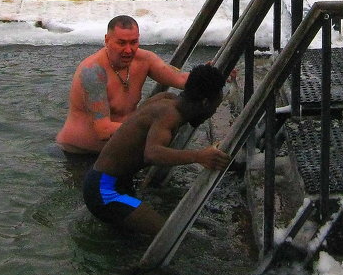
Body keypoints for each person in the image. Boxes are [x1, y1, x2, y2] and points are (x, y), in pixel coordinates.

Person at [82, 63, 231, 235]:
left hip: (110, 182)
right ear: (205, 102)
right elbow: (152, 153)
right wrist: (200, 156)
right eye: (215, 107)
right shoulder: (168, 114)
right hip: (105, 190)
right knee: (169, 237)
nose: (213, 113)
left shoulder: (166, 98)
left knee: (128, 240)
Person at [56, 15, 190, 156]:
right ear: (107, 40)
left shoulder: (144, 60)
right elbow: (104, 130)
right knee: (105, 179)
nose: (128, 50)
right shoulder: (93, 72)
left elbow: (181, 79)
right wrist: (156, 127)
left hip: (120, 150)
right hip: (80, 155)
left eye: (133, 42)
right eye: (121, 43)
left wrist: (205, 75)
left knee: (167, 99)